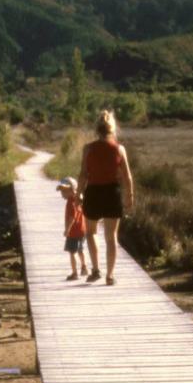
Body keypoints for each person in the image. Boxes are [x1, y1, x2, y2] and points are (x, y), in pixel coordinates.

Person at [76, 110, 134, 286]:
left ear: (97, 129)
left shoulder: (88, 149)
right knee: (111, 236)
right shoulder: (119, 149)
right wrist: (129, 196)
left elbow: (83, 174)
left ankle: (95, 270)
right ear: (112, 129)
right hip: (112, 193)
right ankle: (110, 275)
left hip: (93, 192)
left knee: (91, 232)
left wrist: (78, 194)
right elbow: (127, 177)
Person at [56, 176, 88, 280]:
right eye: (61, 191)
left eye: (64, 191)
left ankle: (74, 273)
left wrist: (67, 230)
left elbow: (71, 217)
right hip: (82, 230)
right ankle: (84, 267)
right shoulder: (78, 199)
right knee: (80, 250)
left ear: (71, 190)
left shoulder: (71, 202)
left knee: (72, 252)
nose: (62, 193)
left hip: (74, 232)